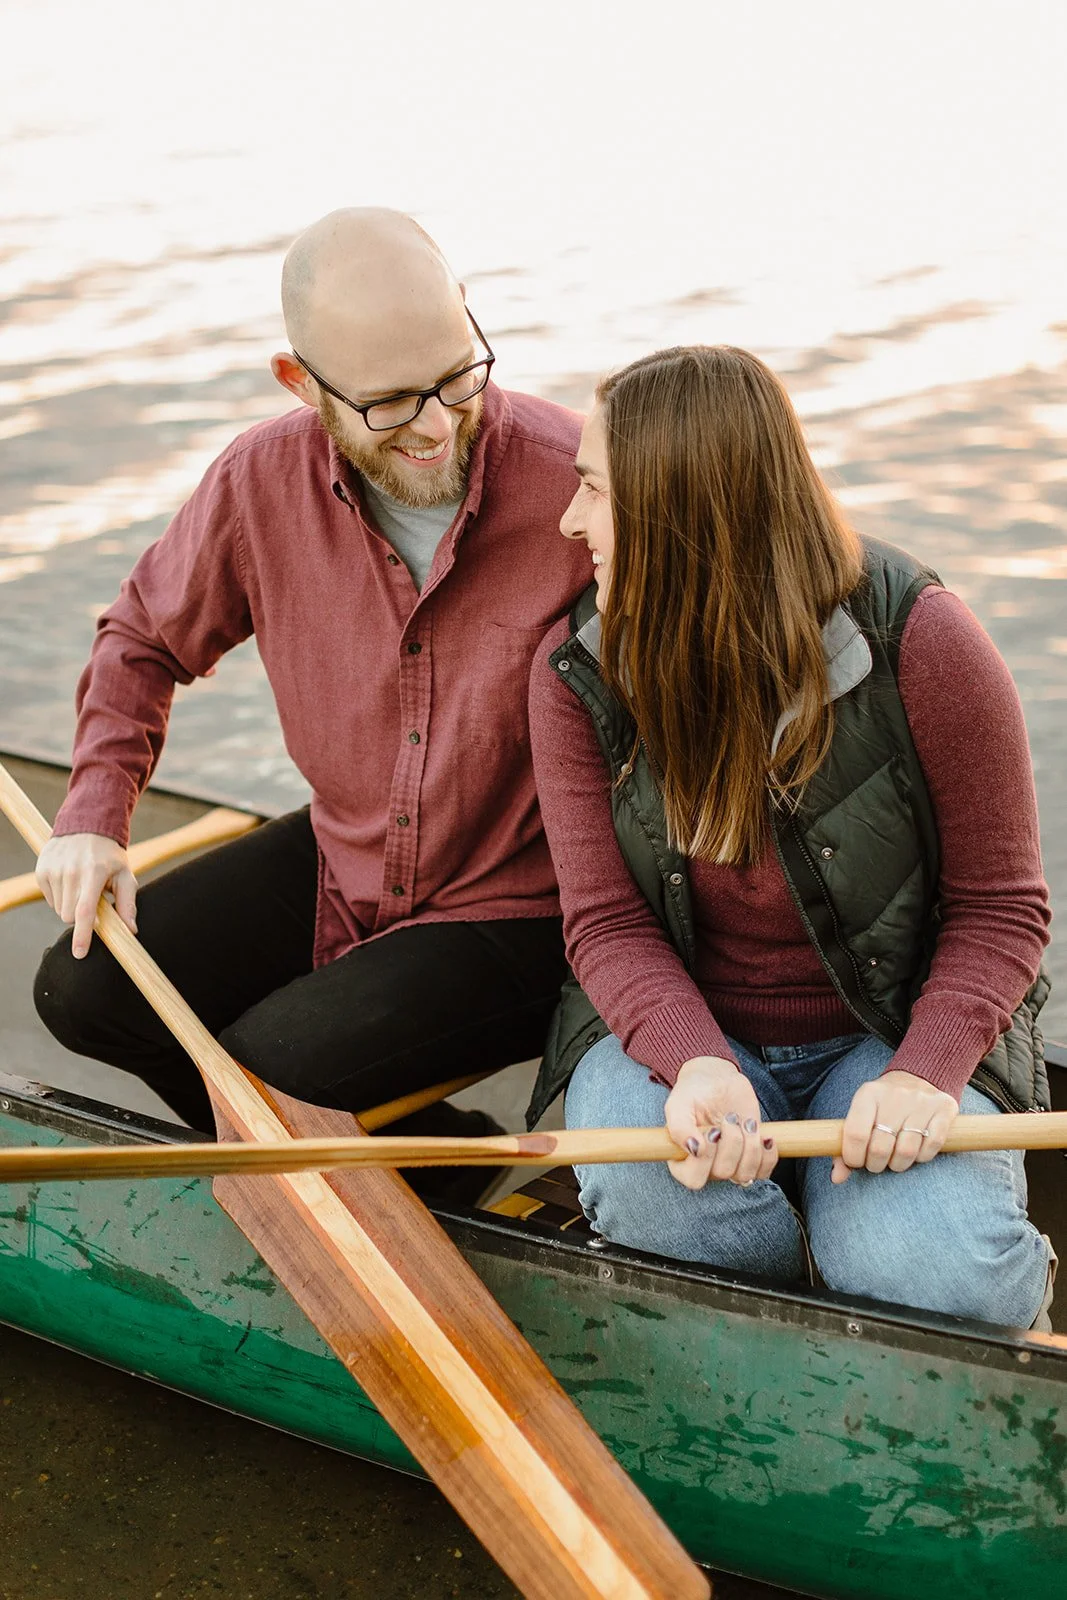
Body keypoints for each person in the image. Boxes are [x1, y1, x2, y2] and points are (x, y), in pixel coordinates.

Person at [33, 208, 590, 1185]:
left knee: (274, 1061)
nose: (435, 424)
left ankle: (346, 1150)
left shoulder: (580, 483)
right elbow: (141, 638)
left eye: (456, 376)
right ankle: (434, 1167)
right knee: (85, 992)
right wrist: (94, 814)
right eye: (388, 402)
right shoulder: (257, 481)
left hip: (518, 903)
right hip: (351, 855)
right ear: (302, 384)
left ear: (467, 315)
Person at [527, 343, 1055, 1326]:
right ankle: (801, 1262)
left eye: (594, 492)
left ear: (678, 511)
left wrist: (924, 1074)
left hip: (886, 1026)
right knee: (643, 1192)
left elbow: (1002, 912)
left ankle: (878, 1241)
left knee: (944, 1281)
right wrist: (693, 1061)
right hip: (687, 1035)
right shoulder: (578, 673)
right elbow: (603, 923)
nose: (569, 521)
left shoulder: (920, 639)